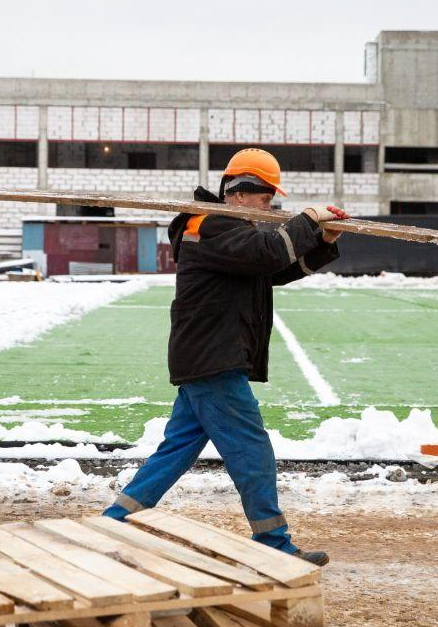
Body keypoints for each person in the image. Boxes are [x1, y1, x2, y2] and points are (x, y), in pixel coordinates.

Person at [103, 148, 349, 565]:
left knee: (177, 448)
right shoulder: (211, 225)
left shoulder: (228, 231)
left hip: (204, 356)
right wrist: (307, 220)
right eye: (265, 196)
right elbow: (269, 252)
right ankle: (273, 543)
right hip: (213, 358)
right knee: (252, 450)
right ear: (238, 194)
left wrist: (322, 242)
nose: (269, 205)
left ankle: (115, 520)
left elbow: (273, 269)